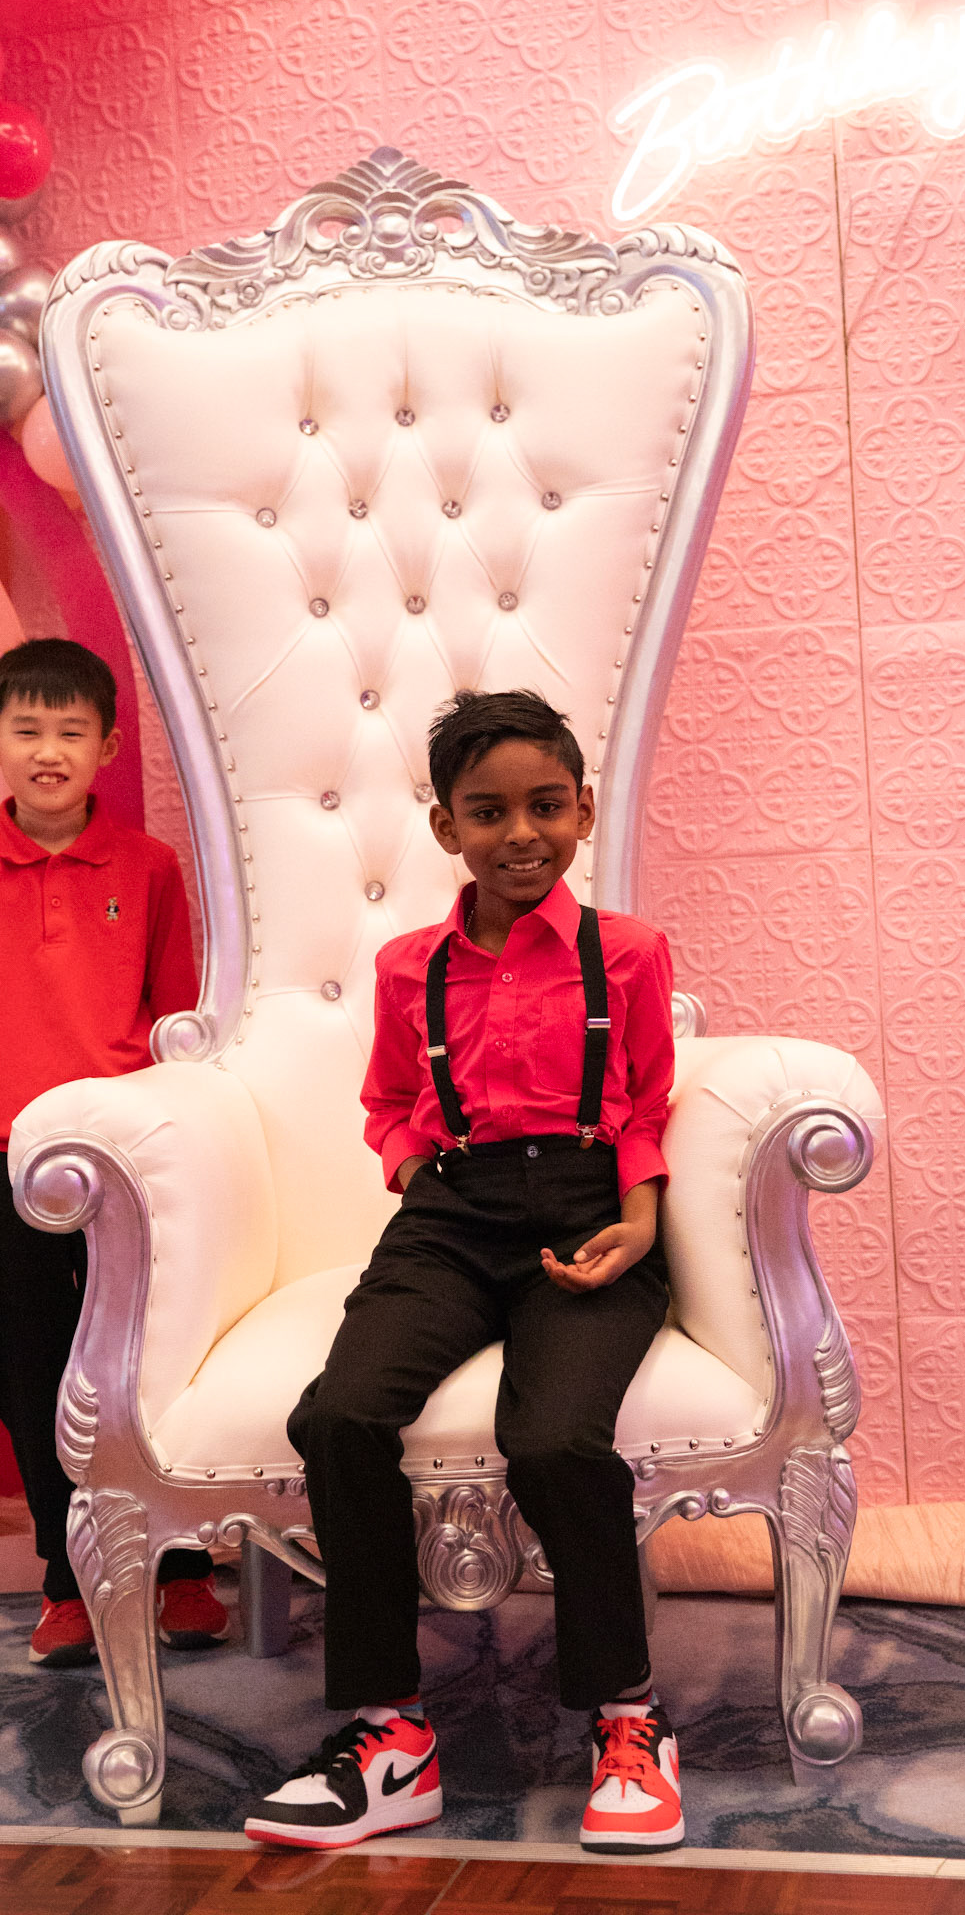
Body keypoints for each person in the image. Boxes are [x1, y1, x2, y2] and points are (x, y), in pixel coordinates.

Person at [245, 689, 683, 1855]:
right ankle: (393, 1732)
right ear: (447, 827)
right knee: (338, 1414)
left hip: (591, 1213)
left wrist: (641, 1222)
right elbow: (389, 1100)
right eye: (488, 811)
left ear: (583, 810)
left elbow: (646, 1100)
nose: (520, 833)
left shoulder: (628, 953)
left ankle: (628, 1719)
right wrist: (409, 1168)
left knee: (554, 1439)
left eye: (546, 804)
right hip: (449, 1216)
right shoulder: (411, 967)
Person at [0, 638, 228, 1667]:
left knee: (149, 1366)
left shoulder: (150, 868)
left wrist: (180, 1138)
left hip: (130, 1162)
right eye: (28, 730)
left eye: (71, 731)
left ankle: (180, 1568)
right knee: (31, 1372)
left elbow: (175, 1021)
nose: (49, 751)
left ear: (107, 748)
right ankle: (68, 1578)